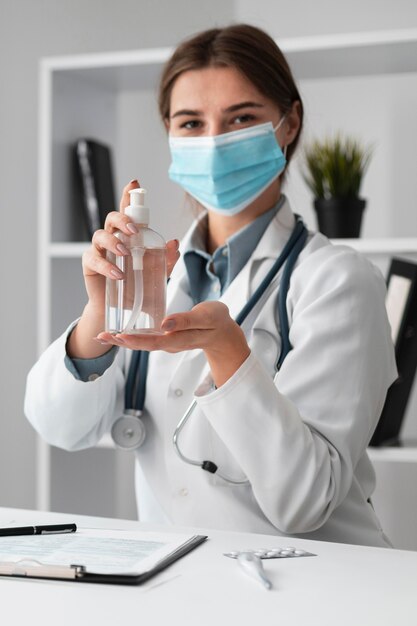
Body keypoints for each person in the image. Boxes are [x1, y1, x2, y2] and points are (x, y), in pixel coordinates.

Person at [25, 24, 397, 546]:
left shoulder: (337, 280)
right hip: (183, 587)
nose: (215, 142)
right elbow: (59, 427)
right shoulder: (155, 276)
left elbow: (306, 501)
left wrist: (228, 354)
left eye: (241, 118)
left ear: (288, 125)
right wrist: (99, 313)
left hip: (316, 591)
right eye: (191, 123)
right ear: (171, 136)